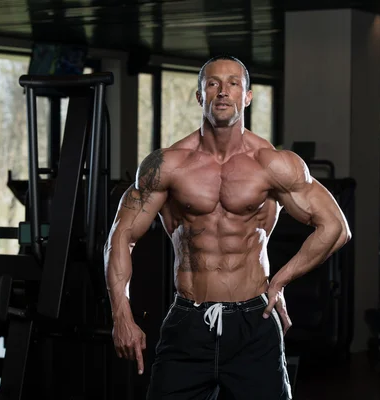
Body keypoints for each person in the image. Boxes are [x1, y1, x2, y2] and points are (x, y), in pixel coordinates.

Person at [104, 55, 351, 400]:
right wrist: (122, 315)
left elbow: (335, 227)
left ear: (247, 96)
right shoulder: (167, 165)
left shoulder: (273, 164)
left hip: (254, 321)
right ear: (199, 95)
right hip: (188, 322)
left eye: (233, 83)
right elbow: (121, 237)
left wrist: (279, 281)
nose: (223, 92)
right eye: (213, 83)